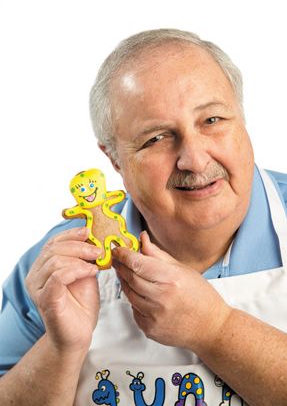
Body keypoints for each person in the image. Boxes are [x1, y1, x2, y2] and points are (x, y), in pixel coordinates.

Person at [0, 28, 287, 406]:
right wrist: (60, 348)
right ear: (114, 160)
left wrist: (217, 329)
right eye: (155, 138)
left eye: (213, 120)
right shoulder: (59, 264)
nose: (195, 159)